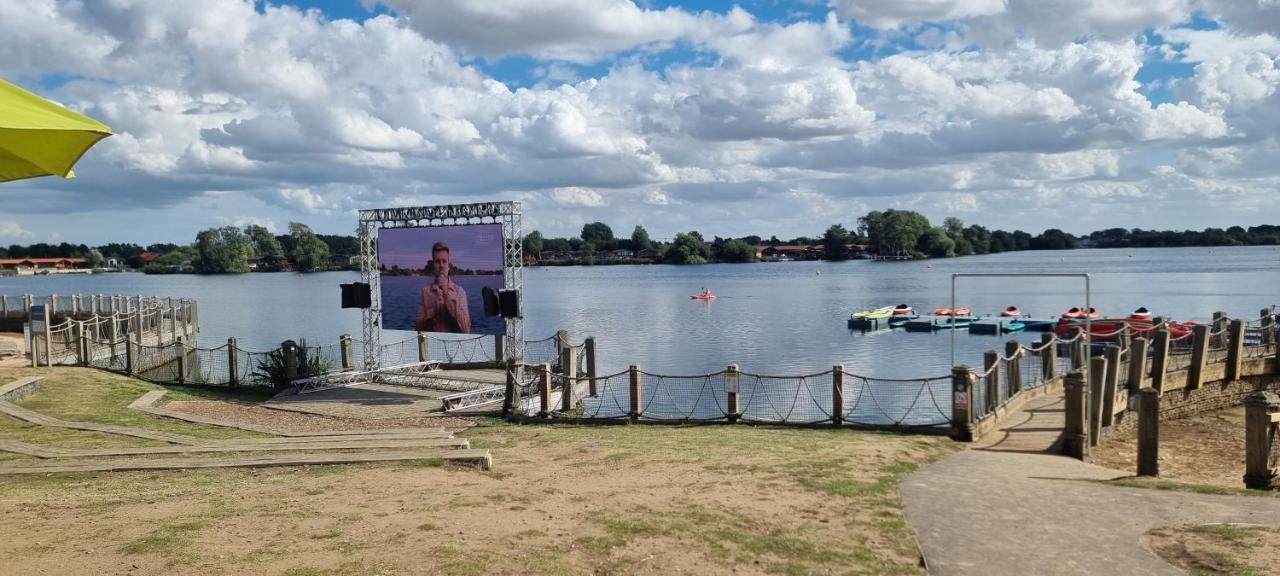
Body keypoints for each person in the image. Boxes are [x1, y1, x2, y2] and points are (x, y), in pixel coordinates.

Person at [415, 241, 471, 333]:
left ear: (448, 265)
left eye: (444, 261)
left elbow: (466, 330)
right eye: (437, 261)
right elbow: (417, 328)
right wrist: (433, 311)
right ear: (433, 265)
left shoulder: (460, 292)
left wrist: (447, 295)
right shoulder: (425, 291)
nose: (441, 265)